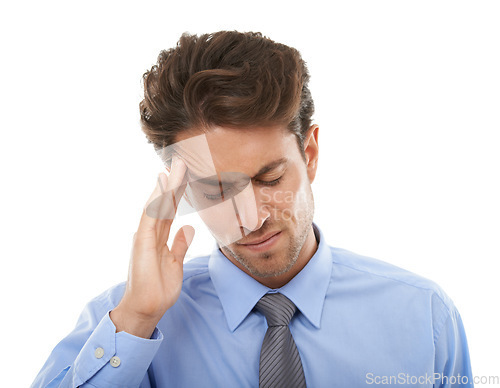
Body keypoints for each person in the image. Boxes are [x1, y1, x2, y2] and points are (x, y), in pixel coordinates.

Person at [32, 31, 473, 388]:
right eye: (217, 190)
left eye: (269, 178)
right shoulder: (121, 322)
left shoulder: (424, 316)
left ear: (311, 153)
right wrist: (136, 319)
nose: (251, 216)